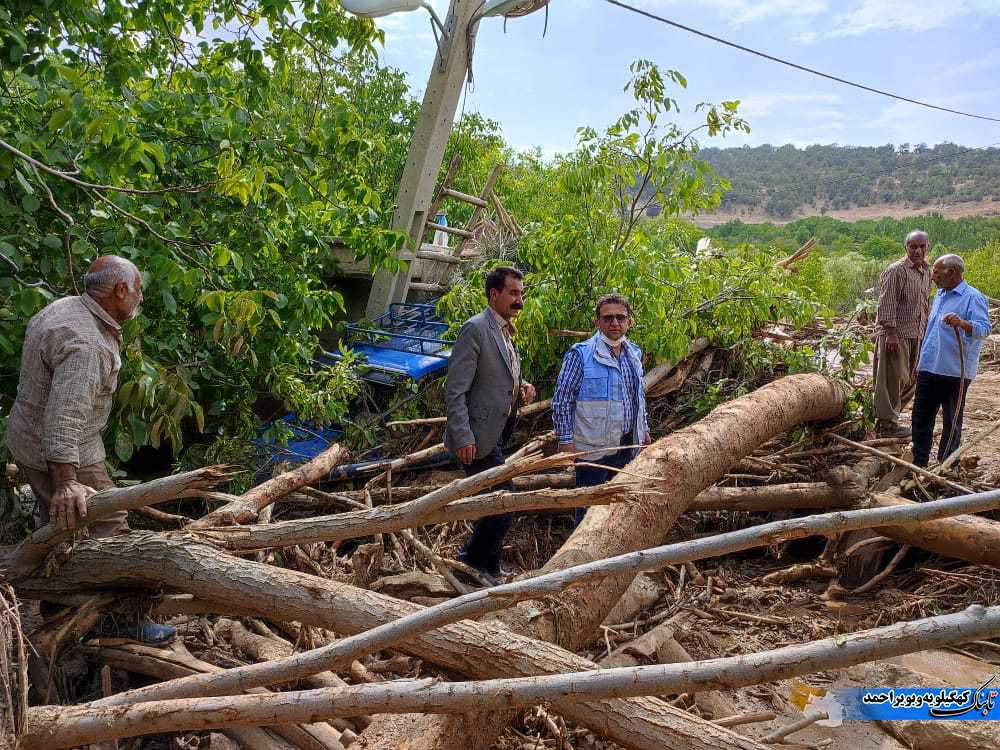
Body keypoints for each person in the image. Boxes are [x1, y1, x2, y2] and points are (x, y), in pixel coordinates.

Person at [6, 255, 176, 645]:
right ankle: (119, 620)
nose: (142, 299)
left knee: (59, 527)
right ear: (120, 291)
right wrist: (67, 482)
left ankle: (57, 601)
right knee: (110, 529)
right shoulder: (87, 346)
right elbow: (64, 418)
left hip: (28, 439)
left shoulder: (63, 308)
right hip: (64, 450)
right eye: (138, 290)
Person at [444, 266, 536, 586]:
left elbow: (498, 374)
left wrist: (520, 386)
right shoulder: (476, 329)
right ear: (494, 294)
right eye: (513, 293)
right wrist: (463, 436)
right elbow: (455, 389)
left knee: (495, 502)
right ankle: (468, 563)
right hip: (477, 437)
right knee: (502, 501)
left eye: (521, 294)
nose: (519, 300)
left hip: (497, 434)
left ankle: (491, 568)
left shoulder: (504, 329)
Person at [551, 294, 650, 525]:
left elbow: (638, 398)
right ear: (597, 322)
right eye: (608, 318)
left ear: (629, 321)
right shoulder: (581, 354)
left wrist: (643, 430)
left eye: (620, 317)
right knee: (588, 508)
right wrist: (566, 442)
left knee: (618, 509)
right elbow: (562, 400)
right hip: (592, 448)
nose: (614, 323)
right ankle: (581, 558)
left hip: (627, 445)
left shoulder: (634, 354)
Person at [911, 254, 991, 468]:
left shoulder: (973, 297)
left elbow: (984, 329)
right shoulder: (939, 295)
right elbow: (929, 332)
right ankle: (918, 464)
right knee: (920, 418)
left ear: (953, 273)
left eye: (937, 272)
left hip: (955, 371)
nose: (932, 276)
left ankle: (946, 466)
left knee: (951, 422)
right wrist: (919, 363)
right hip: (929, 367)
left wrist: (962, 323)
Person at [873, 230, 932, 437]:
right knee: (892, 379)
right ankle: (886, 424)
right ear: (905, 247)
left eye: (922, 246)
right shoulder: (896, 270)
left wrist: (924, 334)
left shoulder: (926, 271)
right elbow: (887, 302)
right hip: (895, 335)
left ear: (927, 247)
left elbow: (924, 304)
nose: (918, 251)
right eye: (913, 246)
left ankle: (891, 418)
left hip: (916, 334)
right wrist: (890, 333)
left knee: (911, 380)